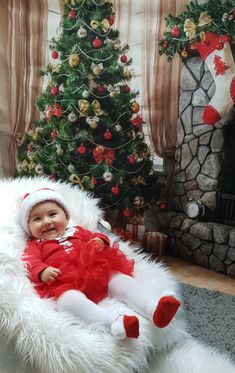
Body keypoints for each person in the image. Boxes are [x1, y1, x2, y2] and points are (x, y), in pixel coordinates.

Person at [19, 188, 180, 340]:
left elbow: (98, 236)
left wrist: (98, 240)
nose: (46, 221)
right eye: (37, 219)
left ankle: (154, 308)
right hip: (65, 283)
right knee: (66, 302)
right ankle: (114, 322)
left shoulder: (76, 231)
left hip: (96, 271)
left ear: (66, 217)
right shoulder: (35, 245)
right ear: (29, 228)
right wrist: (43, 270)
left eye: (52, 214)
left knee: (119, 279)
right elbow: (30, 262)